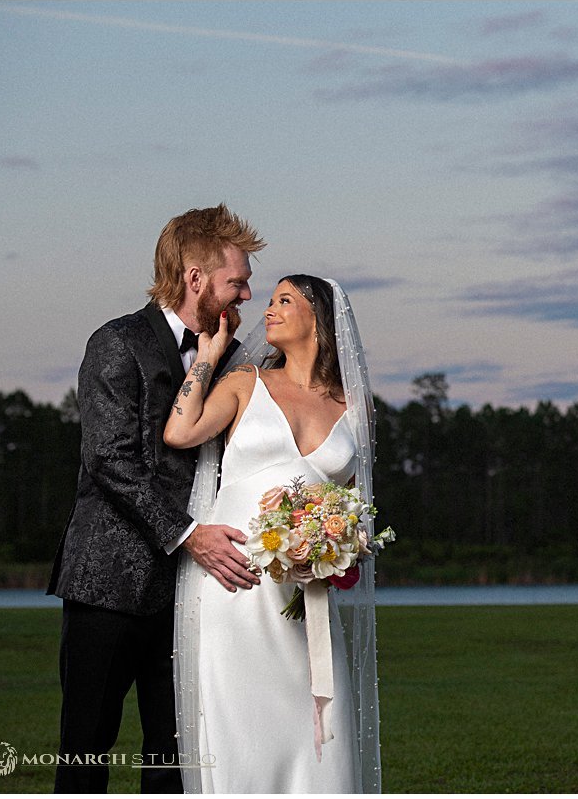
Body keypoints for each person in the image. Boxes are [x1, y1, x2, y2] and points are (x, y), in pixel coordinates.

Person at [47, 204, 265, 792]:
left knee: (174, 757)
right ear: (195, 278)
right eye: (236, 281)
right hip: (108, 584)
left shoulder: (231, 358)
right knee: (86, 750)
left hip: (190, 596)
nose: (247, 293)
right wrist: (191, 535)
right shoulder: (116, 342)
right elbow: (109, 460)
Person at [163, 274, 382, 793]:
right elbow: (179, 431)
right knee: (239, 729)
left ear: (319, 319)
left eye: (285, 300)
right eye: (270, 300)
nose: (269, 310)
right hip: (233, 579)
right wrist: (207, 357)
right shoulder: (244, 384)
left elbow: (351, 507)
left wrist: (337, 549)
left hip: (304, 595)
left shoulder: (356, 409)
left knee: (314, 734)